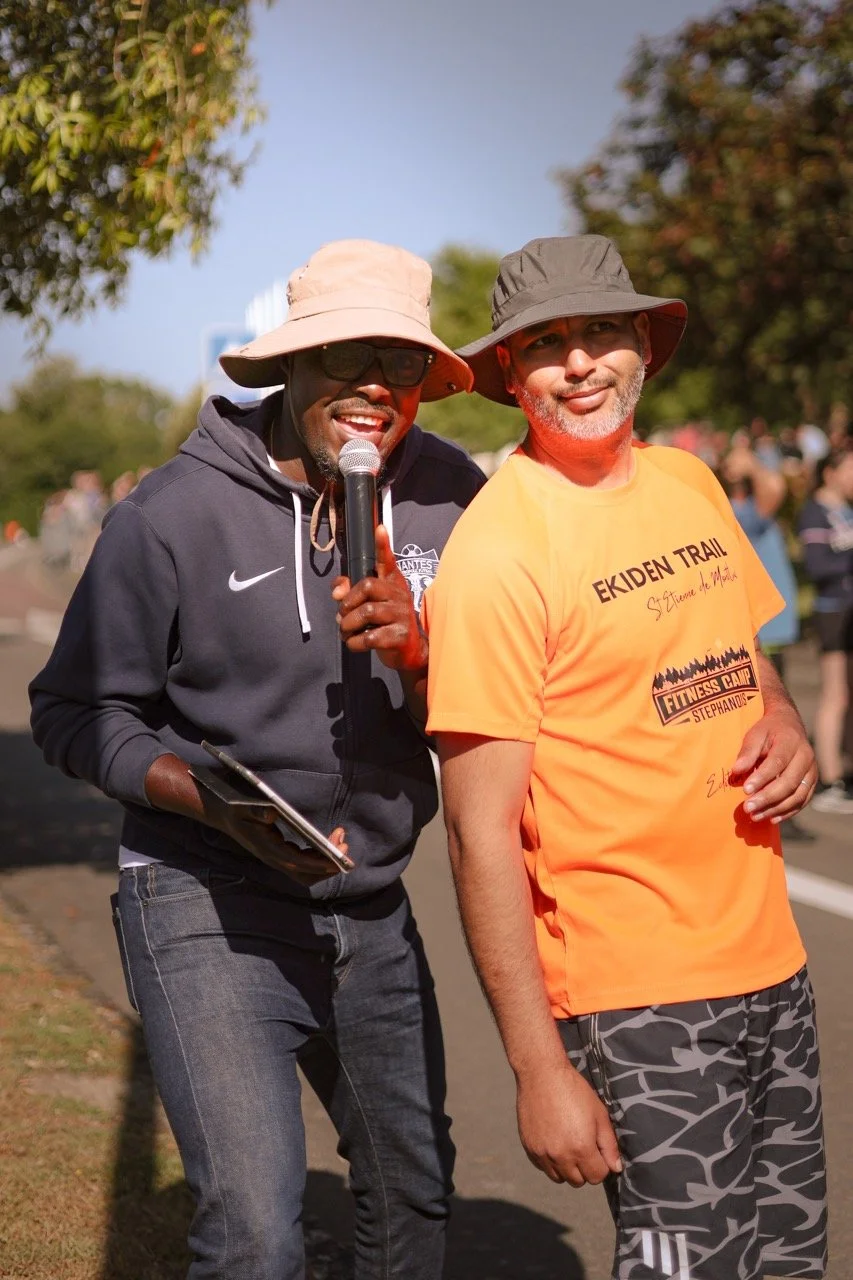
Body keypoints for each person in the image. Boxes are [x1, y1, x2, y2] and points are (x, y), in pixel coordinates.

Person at [30, 239, 483, 1280]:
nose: (375, 384)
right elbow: (73, 707)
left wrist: (422, 649)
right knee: (253, 1234)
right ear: (291, 364)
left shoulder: (453, 496)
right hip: (206, 893)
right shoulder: (169, 515)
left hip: (370, 898)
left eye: (401, 363)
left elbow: (509, 687)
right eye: (346, 355)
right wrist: (201, 794)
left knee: (413, 1191)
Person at [423, 235, 827, 1280]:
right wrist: (536, 1067)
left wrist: (781, 719)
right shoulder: (499, 549)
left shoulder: (689, 481)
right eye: (546, 344)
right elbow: (477, 831)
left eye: (600, 331)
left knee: (786, 1264)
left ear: (643, 343)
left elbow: (747, 656)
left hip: (771, 963)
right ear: (511, 374)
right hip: (638, 999)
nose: (579, 362)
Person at [798, 445, 853, 813]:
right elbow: (817, 567)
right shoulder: (814, 512)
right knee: (836, 695)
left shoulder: (845, 511)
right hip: (833, 612)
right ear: (831, 473)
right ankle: (829, 778)